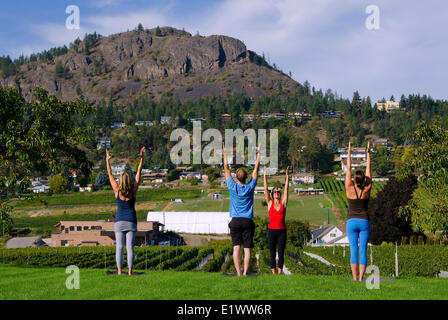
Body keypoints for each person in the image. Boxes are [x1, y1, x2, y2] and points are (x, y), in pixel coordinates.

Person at [106, 146, 145, 275]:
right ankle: (129, 271)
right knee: (129, 247)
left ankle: (119, 271)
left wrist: (107, 160)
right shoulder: (133, 191)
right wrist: (141, 160)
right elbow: (138, 174)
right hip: (131, 221)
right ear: (129, 180)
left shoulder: (117, 190)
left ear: (121, 180)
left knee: (119, 247)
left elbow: (110, 175)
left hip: (119, 222)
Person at [223, 144, 260, 276]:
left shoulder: (232, 186)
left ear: (236, 177)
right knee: (247, 249)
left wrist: (224, 153)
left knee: (236, 247)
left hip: (235, 221)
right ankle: (245, 273)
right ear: (246, 177)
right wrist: (258, 155)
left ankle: (238, 273)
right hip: (247, 221)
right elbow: (256, 170)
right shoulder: (250, 187)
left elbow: (226, 168)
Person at [345, 141, 372, 281]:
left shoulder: (349, 188)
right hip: (364, 221)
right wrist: (368, 154)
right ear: (364, 181)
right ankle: (361, 278)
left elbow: (348, 168)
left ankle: (354, 278)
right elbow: (368, 171)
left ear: (354, 179)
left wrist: (349, 151)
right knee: (363, 251)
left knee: (353, 250)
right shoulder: (367, 190)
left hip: (351, 221)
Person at [263, 166, 289, 274]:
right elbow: (265, 189)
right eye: (275, 192)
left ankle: (280, 271)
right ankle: (273, 272)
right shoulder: (270, 204)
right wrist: (264, 174)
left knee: (281, 251)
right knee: (272, 252)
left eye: (278, 192)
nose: (277, 194)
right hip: (272, 231)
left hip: (282, 231)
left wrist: (287, 176)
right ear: (272, 195)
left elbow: (287, 189)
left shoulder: (283, 204)